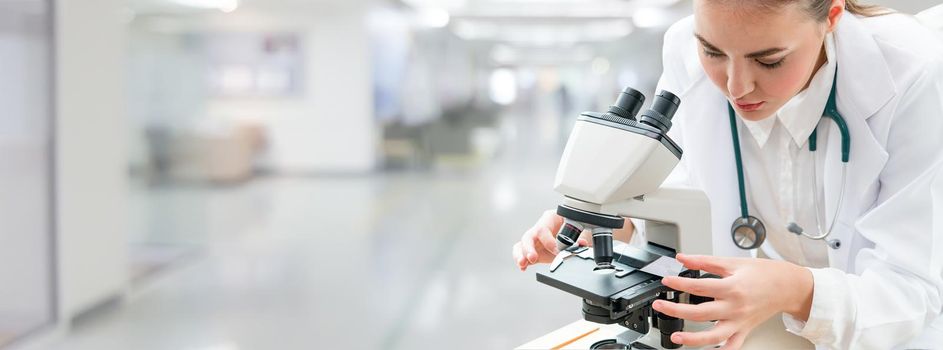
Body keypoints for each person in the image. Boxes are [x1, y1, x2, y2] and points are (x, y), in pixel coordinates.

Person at [512, 0, 943, 348]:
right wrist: (612, 218)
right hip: (751, 322)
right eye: (713, 52)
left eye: (769, 60)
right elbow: (677, 186)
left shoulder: (913, 72)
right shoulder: (683, 48)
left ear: (832, 16)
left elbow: (914, 290)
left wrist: (799, 289)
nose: (736, 86)